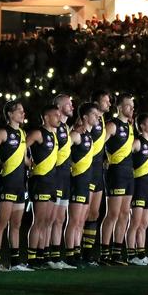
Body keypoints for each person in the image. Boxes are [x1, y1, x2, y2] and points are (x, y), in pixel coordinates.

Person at [0, 100, 31, 272]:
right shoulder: (2, 132)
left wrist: (35, 165)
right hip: (6, 184)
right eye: (19, 111)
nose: (23, 114)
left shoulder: (22, 133)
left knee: (16, 224)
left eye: (23, 110)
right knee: (2, 223)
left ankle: (15, 262)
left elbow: (24, 160)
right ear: (9, 114)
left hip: (20, 185)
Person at [100, 94, 136, 265]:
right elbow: (99, 145)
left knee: (124, 215)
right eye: (128, 105)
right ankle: (104, 253)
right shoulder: (112, 125)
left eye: (132, 105)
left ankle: (116, 253)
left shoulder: (130, 126)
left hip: (129, 173)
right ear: (120, 107)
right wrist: (103, 160)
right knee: (113, 214)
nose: (131, 108)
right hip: (116, 173)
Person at [25, 104, 62, 270]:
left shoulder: (54, 135)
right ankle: (31, 257)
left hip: (52, 181)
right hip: (40, 181)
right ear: (46, 117)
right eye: (56, 115)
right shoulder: (38, 133)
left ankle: (42, 254)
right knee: (39, 220)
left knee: (48, 220)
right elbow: (21, 147)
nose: (59, 118)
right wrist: (29, 164)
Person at [66, 103, 101, 267]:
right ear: (85, 117)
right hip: (78, 181)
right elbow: (63, 151)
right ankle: (70, 254)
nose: (97, 117)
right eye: (94, 114)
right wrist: (72, 166)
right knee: (74, 220)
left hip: (86, 182)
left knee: (81, 221)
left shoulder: (89, 135)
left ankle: (77, 252)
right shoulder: (76, 134)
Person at [82, 90, 112, 262]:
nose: (109, 103)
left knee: (94, 213)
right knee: (83, 214)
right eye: (105, 100)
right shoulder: (87, 120)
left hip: (98, 170)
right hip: (88, 169)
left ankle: (88, 254)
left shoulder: (101, 120)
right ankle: (76, 251)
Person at [127, 114, 148, 265]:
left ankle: (141, 254)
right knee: (135, 223)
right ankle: (131, 255)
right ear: (142, 126)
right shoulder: (137, 142)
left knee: (144, 224)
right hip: (138, 186)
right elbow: (127, 157)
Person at [49, 94, 74, 269]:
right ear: (58, 106)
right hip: (55, 175)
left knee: (60, 218)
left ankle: (56, 257)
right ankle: (46, 255)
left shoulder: (65, 127)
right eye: (68, 104)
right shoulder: (54, 127)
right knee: (51, 218)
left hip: (66, 175)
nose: (72, 106)